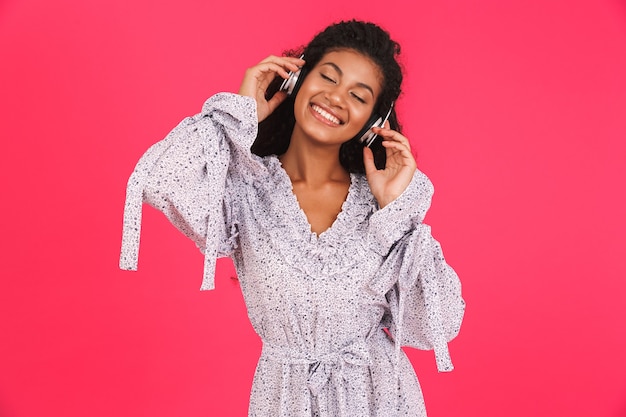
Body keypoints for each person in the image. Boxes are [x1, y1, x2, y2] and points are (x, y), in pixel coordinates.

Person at [120, 19, 465, 417]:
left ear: (375, 120)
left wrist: (395, 212)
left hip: (380, 399)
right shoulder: (245, 188)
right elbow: (161, 183)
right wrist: (240, 113)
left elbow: (435, 325)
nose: (336, 98)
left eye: (358, 95)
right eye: (328, 78)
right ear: (296, 77)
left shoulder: (383, 206)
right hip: (283, 400)